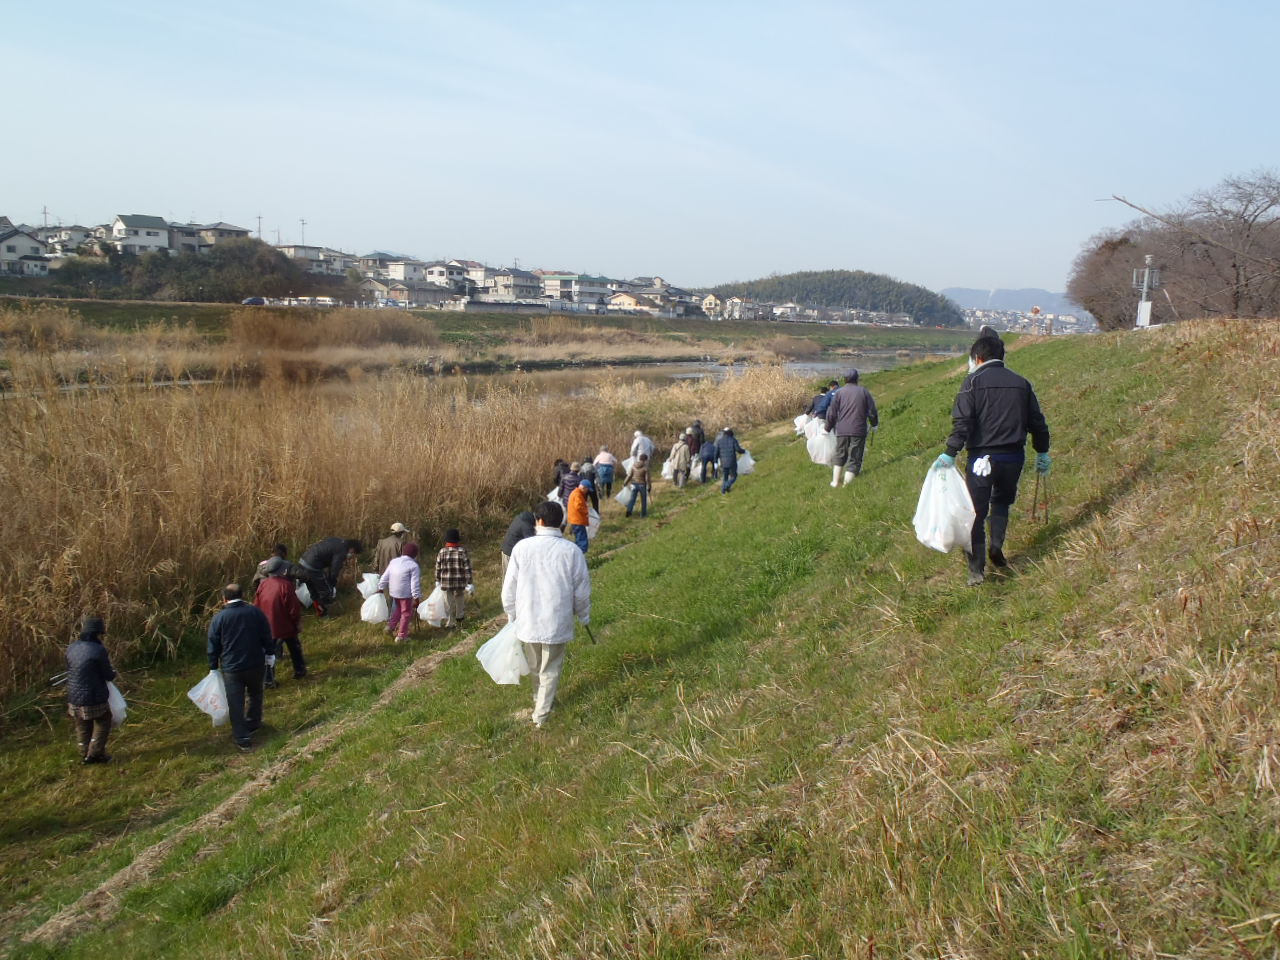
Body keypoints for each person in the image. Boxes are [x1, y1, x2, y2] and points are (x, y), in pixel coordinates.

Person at [934, 334, 1051, 586]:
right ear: (1002, 356)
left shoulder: (971, 383)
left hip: (981, 460)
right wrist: (1042, 451)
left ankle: (976, 569)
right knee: (1001, 503)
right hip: (1013, 457)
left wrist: (950, 452)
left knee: (975, 512)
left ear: (977, 358)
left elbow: (962, 424)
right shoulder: (1021, 383)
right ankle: (996, 547)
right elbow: (1037, 423)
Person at [501, 500, 591, 729]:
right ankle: (542, 711)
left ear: (538, 521)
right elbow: (581, 589)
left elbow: (508, 586)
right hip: (556, 620)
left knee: (536, 666)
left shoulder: (521, 548)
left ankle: (540, 706)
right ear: (560, 522)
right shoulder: (572, 551)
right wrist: (584, 615)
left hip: (527, 619)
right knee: (549, 668)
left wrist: (511, 613)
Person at [207, 584, 275, 750]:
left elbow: (213, 643)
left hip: (232, 667)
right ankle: (254, 722)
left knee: (235, 702)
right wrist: (270, 654)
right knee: (256, 693)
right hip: (255, 662)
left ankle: (242, 737)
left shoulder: (219, 618)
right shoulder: (255, 612)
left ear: (224, 599)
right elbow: (267, 634)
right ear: (242, 595)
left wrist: (213, 666)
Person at [66, 616, 116, 764]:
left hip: (73, 697)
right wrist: (114, 673)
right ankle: (95, 754)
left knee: (82, 722)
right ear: (97, 634)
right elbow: (108, 674)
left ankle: (83, 750)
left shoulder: (72, 648)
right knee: (103, 720)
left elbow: (70, 668)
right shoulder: (98, 650)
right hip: (92, 696)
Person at [253, 557, 306, 684]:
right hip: (286, 625)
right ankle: (300, 671)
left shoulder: (262, 585)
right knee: (295, 648)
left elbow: (256, 605)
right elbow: (294, 608)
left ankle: (268, 679)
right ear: (281, 570)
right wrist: (297, 622)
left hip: (267, 626)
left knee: (268, 654)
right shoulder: (286, 585)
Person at [824, 369, 879, 488]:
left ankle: (835, 482)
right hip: (858, 430)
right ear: (857, 379)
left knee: (840, 454)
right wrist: (874, 424)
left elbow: (832, 413)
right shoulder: (864, 392)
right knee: (855, 457)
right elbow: (872, 411)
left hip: (842, 430)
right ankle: (846, 485)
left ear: (845, 379)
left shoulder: (839, 393)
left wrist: (827, 428)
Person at [297, 537, 362, 616]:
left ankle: (319, 611)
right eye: (353, 553)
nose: (352, 555)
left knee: (313, 590)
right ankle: (326, 614)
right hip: (312, 566)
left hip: (303, 562)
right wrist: (331, 583)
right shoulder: (342, 550)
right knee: (326, 591)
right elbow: (335, 569)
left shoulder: (336, 540)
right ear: (352, 548)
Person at [379, 542, 422, 641]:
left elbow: (386, 575)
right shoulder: (413, 565)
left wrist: (381, 587)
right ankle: (402, 636)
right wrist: (416, 597)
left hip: (393, 591)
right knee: (406, 613)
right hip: (405, 593)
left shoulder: (394, 561)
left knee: (398, 609)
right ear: (415, 554)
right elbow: (414, 583)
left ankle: (390, 626)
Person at [434, 530, 474, 627]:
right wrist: (469, 582)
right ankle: (459, 617)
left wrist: (437, 579)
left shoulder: (442, 551)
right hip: (459, 582)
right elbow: (467, 568)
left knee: (448, 602)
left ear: (446, 541)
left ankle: (450, 622)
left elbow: (438, 567)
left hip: (445, 582)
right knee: (459, 598)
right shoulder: (462, 551)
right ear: (457, 540)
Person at [501, 510, 537, 576]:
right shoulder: (526, 525)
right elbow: (532, 543)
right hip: (510, 553)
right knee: (510, 578)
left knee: (508, 578)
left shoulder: (522, 517)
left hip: (507, 549)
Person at [565, 477, 593, 553]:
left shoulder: (575, 492)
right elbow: (579, 506)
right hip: (578, 520)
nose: (587, 491)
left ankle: (577, 554)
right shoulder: (577, 494)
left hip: (575, 519)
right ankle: (581, 555)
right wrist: (587, 511)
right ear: (584, 488)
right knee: (582, 540)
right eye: (587, 489)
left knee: (578, 538)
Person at [715, 427, 746, 494]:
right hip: (732, 461)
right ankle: (725, 487)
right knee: (734, 476)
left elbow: (716, 453)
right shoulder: (733, 440)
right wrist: (744, 451)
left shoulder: (719, 441)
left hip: (723, 462)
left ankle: (724, 491)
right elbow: (738, 449)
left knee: (725, 477)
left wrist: (715, 462)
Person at [622, 453, 651, 517]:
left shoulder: (633, 466)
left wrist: (625, 482)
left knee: (632, 499)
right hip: (642, 485)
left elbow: (629, 475)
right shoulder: (645, 468)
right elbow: (647, 479)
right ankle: (643, 514)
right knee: (643, 500)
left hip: (634, 484)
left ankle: (628, 512)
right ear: (645, 460)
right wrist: (649, 486)